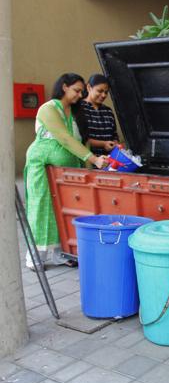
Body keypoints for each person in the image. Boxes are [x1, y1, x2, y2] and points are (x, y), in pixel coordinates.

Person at [24, 73, 108, 270]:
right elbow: (64, 138)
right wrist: (94, 159)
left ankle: (57, 254)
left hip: (67, 170)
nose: (80, 95)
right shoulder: (48, 108)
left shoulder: (76, 111)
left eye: (81, 91)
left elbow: (81, 140)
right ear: (64, 87)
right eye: (76, 90)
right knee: (41, 208)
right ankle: (34, 256)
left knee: (62, 209)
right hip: (42, 166)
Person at [77, 74, 119, 156]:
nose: (103, 95)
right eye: (100, 91)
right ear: (89, 87)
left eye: (106, 92)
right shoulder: (79, 108)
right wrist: (103, 144)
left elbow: (114, 135)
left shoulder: (108, 111)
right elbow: (79, 137)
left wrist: (115, 144)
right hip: (88, 161)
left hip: (108, 162)